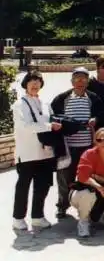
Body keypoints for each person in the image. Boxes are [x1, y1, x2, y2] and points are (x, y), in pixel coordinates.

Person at [12, 70, 60, 231]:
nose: (35, 84)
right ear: (25, 84)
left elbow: (53, 120)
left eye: (38, 81)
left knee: (43, 186)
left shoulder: (45, 103)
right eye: (32, 81)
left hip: (45, 153)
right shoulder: (20, 104)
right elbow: (26, 125)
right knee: (23, 187)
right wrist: (48, 126)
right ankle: (18, 218)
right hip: (27, 153)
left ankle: (37, 217)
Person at [51, 66, 102, 219]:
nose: (80, 82)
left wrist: (96, 119)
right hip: (67, 147)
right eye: (77, 79)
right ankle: (62, 206)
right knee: (64, 178)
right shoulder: (62, 98)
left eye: (83, 79)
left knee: (86, 178)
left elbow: (101, 114)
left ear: (87, 81)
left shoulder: (93, 98)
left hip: (87, 147)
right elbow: (53, 116)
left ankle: (85, 207)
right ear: (72, 81)